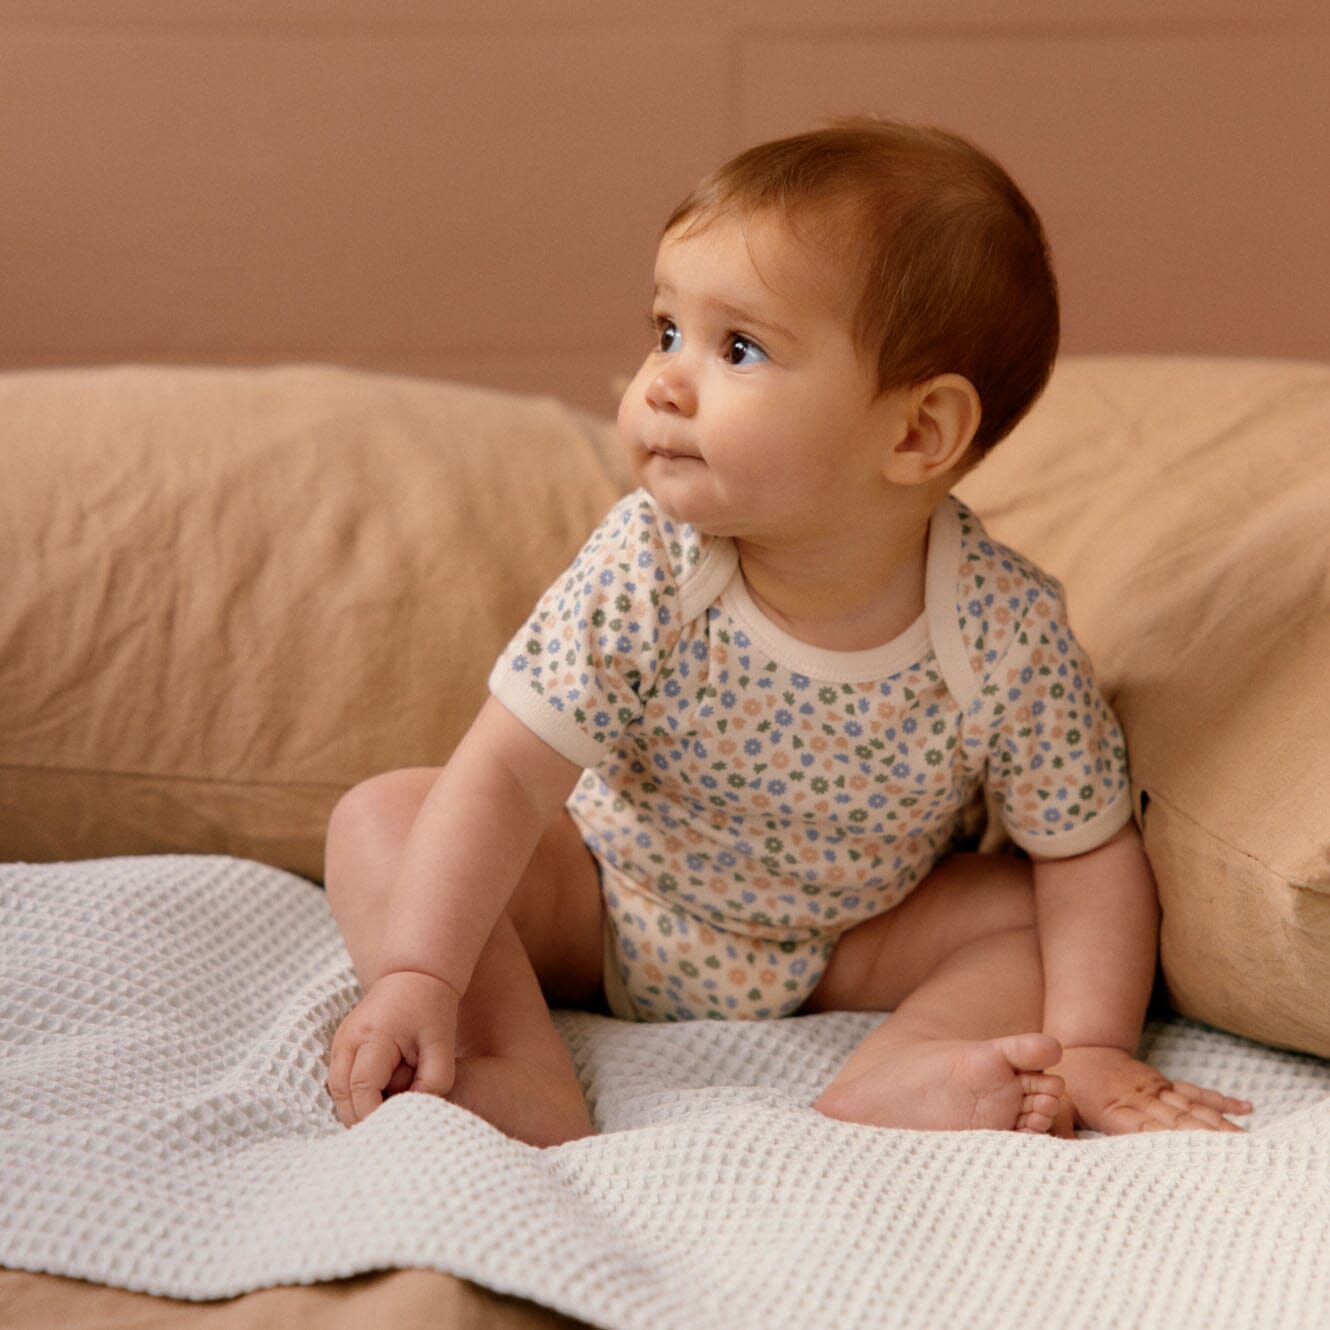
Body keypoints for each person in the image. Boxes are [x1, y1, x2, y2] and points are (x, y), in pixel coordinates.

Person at [325, 119, 1251, 1145]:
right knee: (389, 817)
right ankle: (509, 1068)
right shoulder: (651, 564)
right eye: (666, 330)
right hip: (603, 897)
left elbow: (1085, 854)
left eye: (740, 348)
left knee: (1034, 910)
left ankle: (900, 1076)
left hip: (846, 942)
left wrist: (1088, 1043)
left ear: (914, 432)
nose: (663, 379)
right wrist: (420, 969)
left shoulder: (1002, 628)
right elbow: (503, 778)